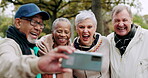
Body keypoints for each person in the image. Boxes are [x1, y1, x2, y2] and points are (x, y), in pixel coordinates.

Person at [0, 3, 75, 78]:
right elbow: (5, 65)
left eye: (41, 24)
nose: (38, 28)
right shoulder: (9, 44)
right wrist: (37, 64)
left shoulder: (33, 48)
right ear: (18, 23)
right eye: (34, 22)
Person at [107, 5, 148, 78]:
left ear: (131, 20)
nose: (121, 24)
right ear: (112, 21)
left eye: (124, 20)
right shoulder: (108, 41)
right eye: (117, 20)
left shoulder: (145, 37)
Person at [73, 10, 110, 78]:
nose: (85, 31)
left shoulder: (106, 42)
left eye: (89, 27)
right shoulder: (71, 48)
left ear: (95, 28)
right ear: (76, 28)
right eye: (81, 27)